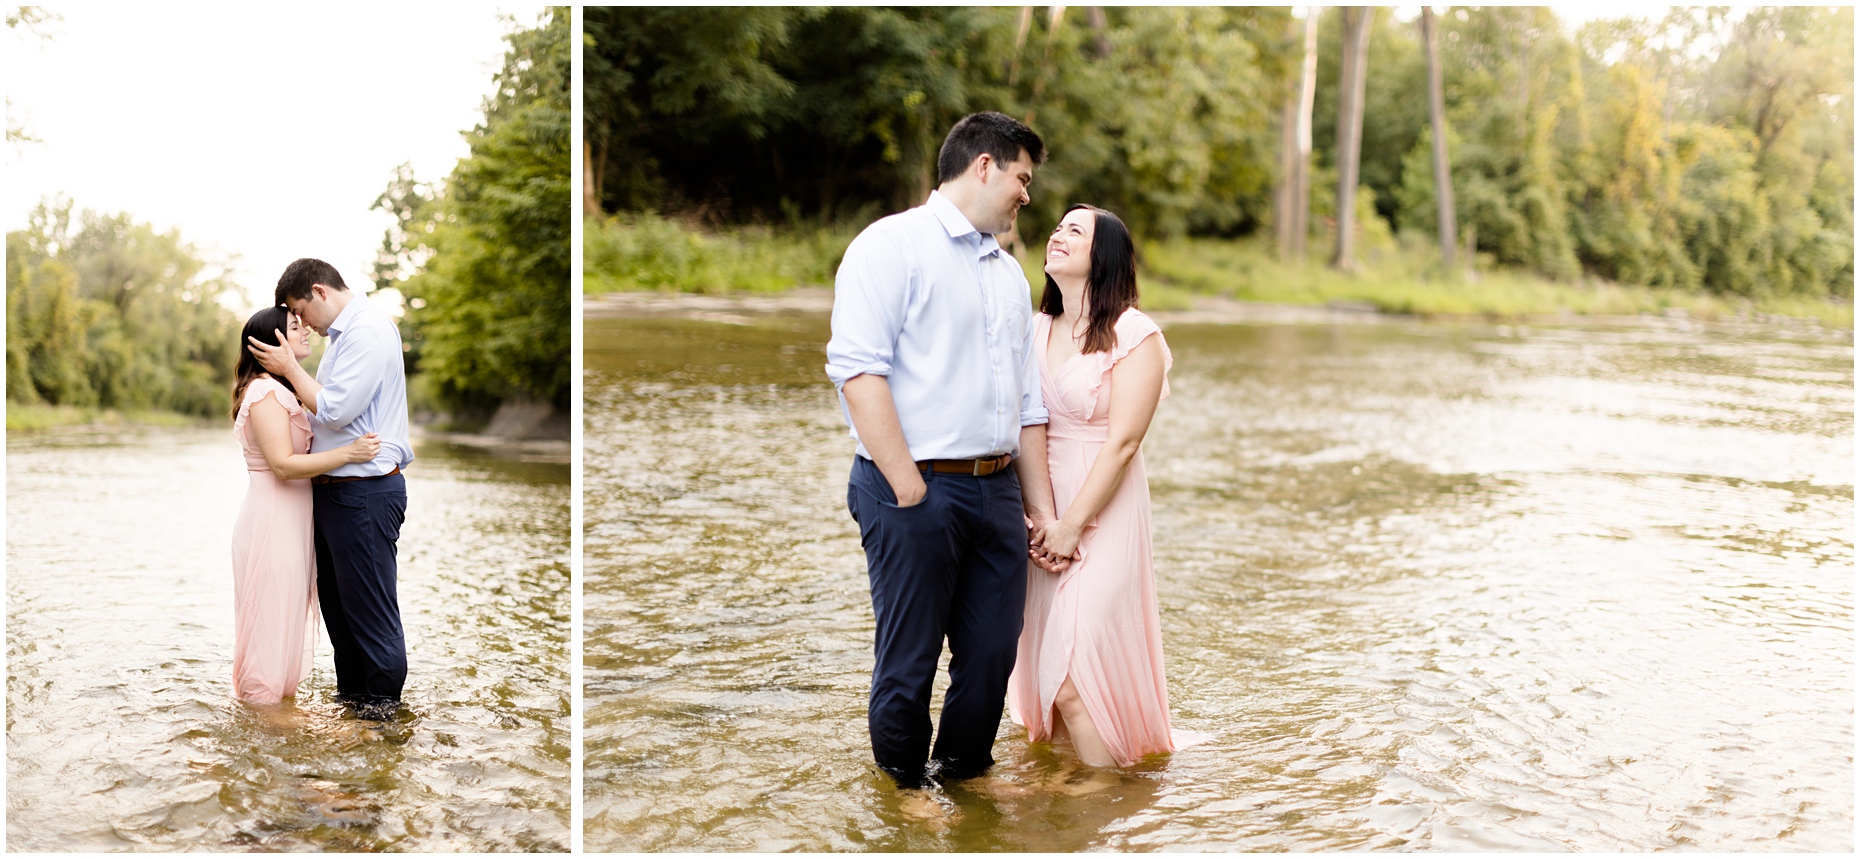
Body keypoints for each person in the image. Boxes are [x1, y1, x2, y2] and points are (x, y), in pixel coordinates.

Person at [825, 111, 1065, 789]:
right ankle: (904, 785)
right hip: (911, 484)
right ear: (983, 165)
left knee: (992, 651)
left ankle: (961, 774)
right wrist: (907, 486)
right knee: (910, 655)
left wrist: (1037, 507)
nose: (1026, 194)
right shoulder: (889, 246)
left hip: (995, 490)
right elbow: (858, 371)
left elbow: (1027, 406)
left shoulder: (1007, 274)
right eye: (1021, 177)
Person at [1007, 203, 1203, 767]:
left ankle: (1105, 796)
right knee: (1047, 668)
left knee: (1071, 673)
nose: (1056, 235)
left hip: (1105, 504)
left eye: (1075, 230)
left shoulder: (1133, 333)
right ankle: (1067, 782)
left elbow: (1123, 443)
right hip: (1044, 505)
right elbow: (1029, 423)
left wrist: (1073, 525)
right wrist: (1044, 519)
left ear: (1105, 254)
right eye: (1057, 227)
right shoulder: (1036, 327)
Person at [247, 258, 414, 720]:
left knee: (370, 614)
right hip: (338, 492)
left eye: (301, 311)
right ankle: (353, 710)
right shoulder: (342, 337)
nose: (303, 324)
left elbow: (336, 410)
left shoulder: (367, 331)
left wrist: (289, 369)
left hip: (364, 491)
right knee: (342, 615)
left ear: (319, 292)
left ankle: (382, 718)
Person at [229, 306, 380, 705]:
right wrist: (349, 454)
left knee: (281, 622)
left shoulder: (285, 390)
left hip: (291, 523)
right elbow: (282, 465)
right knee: (269, 624)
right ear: (271, 342)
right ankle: (266, 723)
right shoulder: (264, 391)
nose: (306, 331)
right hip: (272, 524)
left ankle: (277, 725)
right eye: (294, 327)